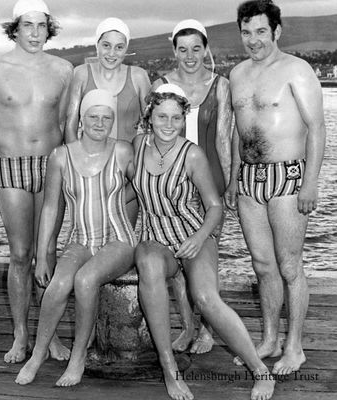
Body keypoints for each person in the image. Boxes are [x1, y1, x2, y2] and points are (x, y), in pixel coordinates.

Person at [133, 84, 275, 400]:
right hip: (157, 238)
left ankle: (260, 370)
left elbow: (214, 206)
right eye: (161, 117)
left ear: (184, 119)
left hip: (194, 234)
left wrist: (198, 238)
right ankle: (169, 369)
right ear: (150, 117)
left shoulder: (192, 154)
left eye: (176, 118)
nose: (168, 125)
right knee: (147, 261)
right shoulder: (137, 146)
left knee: (206, 298)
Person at [225, 0, 326, 376]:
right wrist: (235, 178)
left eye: (261, 32)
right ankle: (269, 339)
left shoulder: (296, 70)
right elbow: (240, 130)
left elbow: (317, 127)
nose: (253, 40)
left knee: (289, 265)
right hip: (250, 179)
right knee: (263, 265)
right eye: (246, 32)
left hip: (287, 177)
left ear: (276, 32)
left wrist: (311, 181)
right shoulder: (237, 74)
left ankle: (294, 346)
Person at [0, 0, 73, 363]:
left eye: (41, 26)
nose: (34, 33)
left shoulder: (63, 70)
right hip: (10, 166)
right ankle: (20, 334)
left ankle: (52, 334)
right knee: (19, 254)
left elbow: (64, 125)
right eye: (27, 25)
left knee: (48, 253)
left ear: (49, 29)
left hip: (51, 166)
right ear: (14, 29)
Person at [15, 89, 137, 386]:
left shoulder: (123, 151)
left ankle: (78, 356)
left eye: (106, 117)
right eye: (93, 116)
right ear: (81, 119)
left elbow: (146, 188)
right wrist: (43, 253)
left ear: (113, 121)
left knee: (85, 280)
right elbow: (50, 207)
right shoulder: (61, 156)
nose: (99, 122)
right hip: (79, 239)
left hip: (118, 239)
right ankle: (38, 353)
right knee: (57, 285)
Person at [152, 19, 232, 354]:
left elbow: (226, 139)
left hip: (210, 181)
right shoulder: (162, 84)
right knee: (177, 260)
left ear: (206, 49)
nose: (189, 55)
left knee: (206, 261)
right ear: (174, 50)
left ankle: (207, 331)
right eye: (182, 49)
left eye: (196, 49)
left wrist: (230, 184)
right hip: (173, 187)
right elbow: (152, 135)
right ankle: (187, 325)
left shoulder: (221, 85)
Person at [65, 17, 151, 226]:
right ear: (97, 45)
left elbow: (151, 126)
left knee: (124, 239)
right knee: (89, 235)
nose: (112, 54)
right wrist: (76, 164)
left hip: (127, 172)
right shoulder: (81, 74)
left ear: (126, 49)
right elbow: (70, 124)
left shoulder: (138, 77)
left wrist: (141, 169)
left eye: (119, 47)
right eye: (106, 46)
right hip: (90, 169)